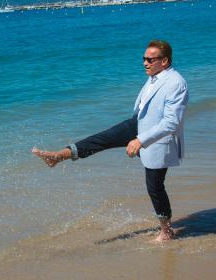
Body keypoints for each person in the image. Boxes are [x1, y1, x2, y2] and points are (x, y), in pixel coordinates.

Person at [32, 40, 189, 242]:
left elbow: (172, 123)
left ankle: (166, 231)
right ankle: (59, 156)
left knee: (155, 186)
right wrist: (137, 132)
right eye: (144, 59)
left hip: (158, 138)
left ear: (164, 61)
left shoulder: (176, 83)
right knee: (101, 139)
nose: (145, 63)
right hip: (137, 125)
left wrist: (140, 140)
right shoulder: (154, 77)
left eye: (150, 59)